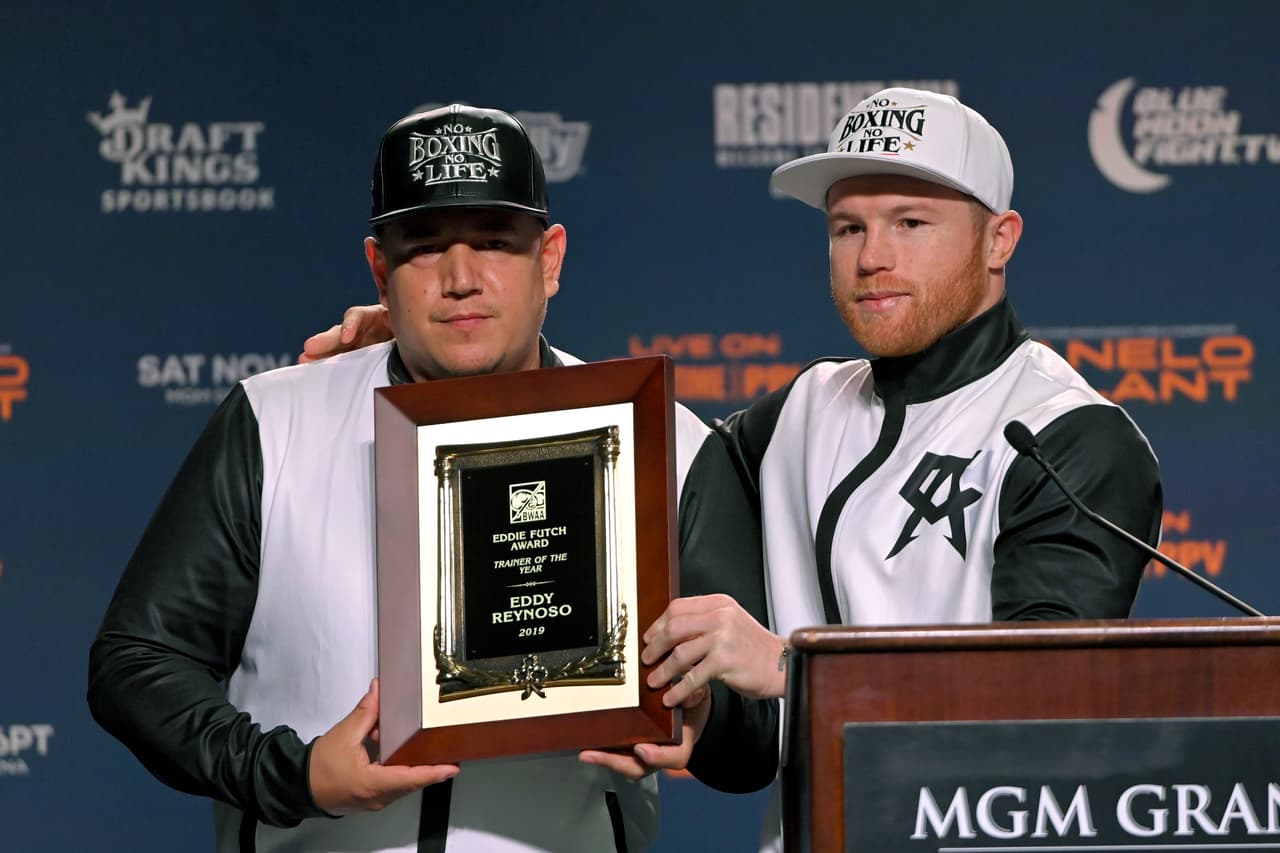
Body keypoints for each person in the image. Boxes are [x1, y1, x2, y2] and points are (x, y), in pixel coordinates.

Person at [299, 88, 1163, 848]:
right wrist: (432, 354)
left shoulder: (1067, 433)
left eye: (911, 223)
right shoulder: (800, 411)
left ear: (999, 240)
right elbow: (615, 440)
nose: (873, 259)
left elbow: (1044, 711)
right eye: (848, 227)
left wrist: (795, 669)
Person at [88, 104, 775, 853]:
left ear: (549, 258)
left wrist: (702, 717)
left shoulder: (664, 441)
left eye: (492, 241)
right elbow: (136, 662)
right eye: (423, 247)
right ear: (380, 269)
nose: (460, 278)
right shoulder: (273, 419)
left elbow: (753, 742)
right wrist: (294, 771)